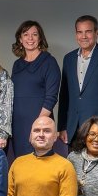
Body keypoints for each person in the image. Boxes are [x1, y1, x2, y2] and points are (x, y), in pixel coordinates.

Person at [58, 15, 98, 144]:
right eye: (80, 32)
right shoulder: (69, 59)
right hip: (73, 129)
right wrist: (62, 126)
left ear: (96, 33)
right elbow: (64, 96)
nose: (84, 36)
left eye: (88, 31)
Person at [10, 20, 61, 157]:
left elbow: (51, 98)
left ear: (40, 38)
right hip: (18, 124)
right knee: (21, 162)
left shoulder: (49, 62)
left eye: (34, 34)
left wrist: (38, 127)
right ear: (20, 39)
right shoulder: (17, 65)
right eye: (26, 34)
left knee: (41, 163)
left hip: (39, 122)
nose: (30, 38)